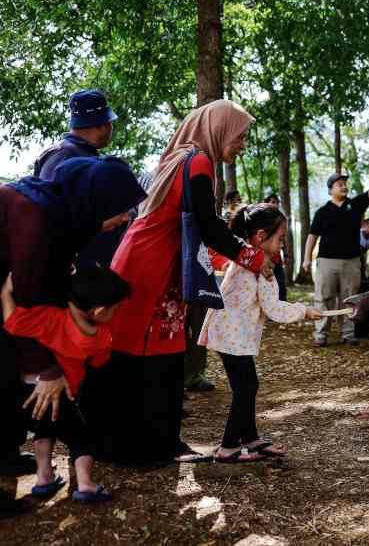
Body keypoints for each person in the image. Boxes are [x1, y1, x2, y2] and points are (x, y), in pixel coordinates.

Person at [84, 100, 273, 467]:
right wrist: (252, 257)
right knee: (146, 356)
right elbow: (209, 226)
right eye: (240, 136)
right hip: (149, 266)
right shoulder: (197, 162)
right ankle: (140, 448)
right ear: (218, 129)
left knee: (168, 354)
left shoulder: (185, 158)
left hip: (155, 261)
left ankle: (165, 442)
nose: (243, 144)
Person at [0, 157, 144, 515]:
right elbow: (29, 295)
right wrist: (46, 369)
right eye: (120, 209)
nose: (126, 218)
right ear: (95, 201)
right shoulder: (32, 217)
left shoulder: (62, 215)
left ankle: (24, 465)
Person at [199, 205, 323, 462]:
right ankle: (228, 446)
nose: (282, 245)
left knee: (246, 386)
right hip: (233, 336)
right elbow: (274, 309)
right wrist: (304, 311)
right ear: (260, 236)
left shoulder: (246, 256)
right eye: (280, 239)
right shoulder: (260, 266)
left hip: (229, 333)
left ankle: (250, 438)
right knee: (245, 388)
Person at [2, 266, 130, 503]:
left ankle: (44, 477)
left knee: (43, 430)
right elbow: (101, 361)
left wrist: (5, 293)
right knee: (83, 440)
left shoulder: (50, 318)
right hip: (64, 395)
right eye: (116, 308)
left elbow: (11, 322)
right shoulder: (100, 336)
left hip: (30, 394)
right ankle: (86, 484)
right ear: (99, 311)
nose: (117, 312)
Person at [34, 89, 127, 268]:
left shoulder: (85, 156)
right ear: (102, 124)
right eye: (110, 122)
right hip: (69, 271)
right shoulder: (64, 156)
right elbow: (47, 216)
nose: (111, 128)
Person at [303, 170, 369, 347]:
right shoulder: (322, 212)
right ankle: (321, 334)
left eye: (345, 183)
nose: (344, 186)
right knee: (324, 298)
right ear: (330, 189)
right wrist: (306, 258)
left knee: (350, 298)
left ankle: (348, 334)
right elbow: (312, 237)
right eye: (339, 184)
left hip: (352, 262)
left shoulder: (354, 205)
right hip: (326, 262)